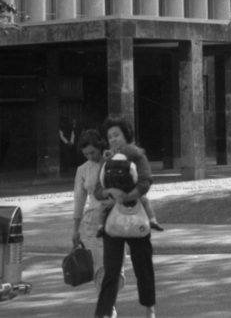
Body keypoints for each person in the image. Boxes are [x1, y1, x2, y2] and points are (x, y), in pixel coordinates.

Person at [94, 116, 157, 318]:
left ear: (126, 135)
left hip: (136, 217)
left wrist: (125, 197)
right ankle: (103, 313)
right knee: (111, 271)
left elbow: (145, 181)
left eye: (116, 135)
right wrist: (109, 192)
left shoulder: (137, 156)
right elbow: (97, 190)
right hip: (112, 222)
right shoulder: (106, 159)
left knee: (143, 267)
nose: (113, 139)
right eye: (109, 136)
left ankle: (149, 309)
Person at [72, 129, 121, 294]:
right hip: (92, 224)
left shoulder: (114, 160)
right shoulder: (82, 170)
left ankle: (109, 303)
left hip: (116, 220)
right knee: (100, 268)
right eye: (86, 154)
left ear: (100, 146)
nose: (90, 157)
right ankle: (108, 308)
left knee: (115, 267)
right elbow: (79, 200)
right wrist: (75, 229)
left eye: (92, 152)